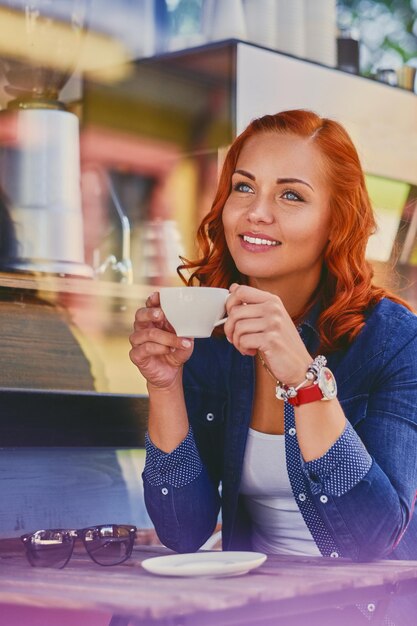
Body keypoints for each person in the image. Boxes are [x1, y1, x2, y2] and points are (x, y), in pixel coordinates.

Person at [129, 109, 417, 579]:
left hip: (365, 605)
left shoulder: (394, 340)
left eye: (290, 195)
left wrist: (305, 381)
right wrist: (164, 386)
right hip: (256, 601)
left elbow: (375, 536)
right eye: (243, 187)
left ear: (336, 221)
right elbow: (183, 531)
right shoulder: (210, 332)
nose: (256, 213)